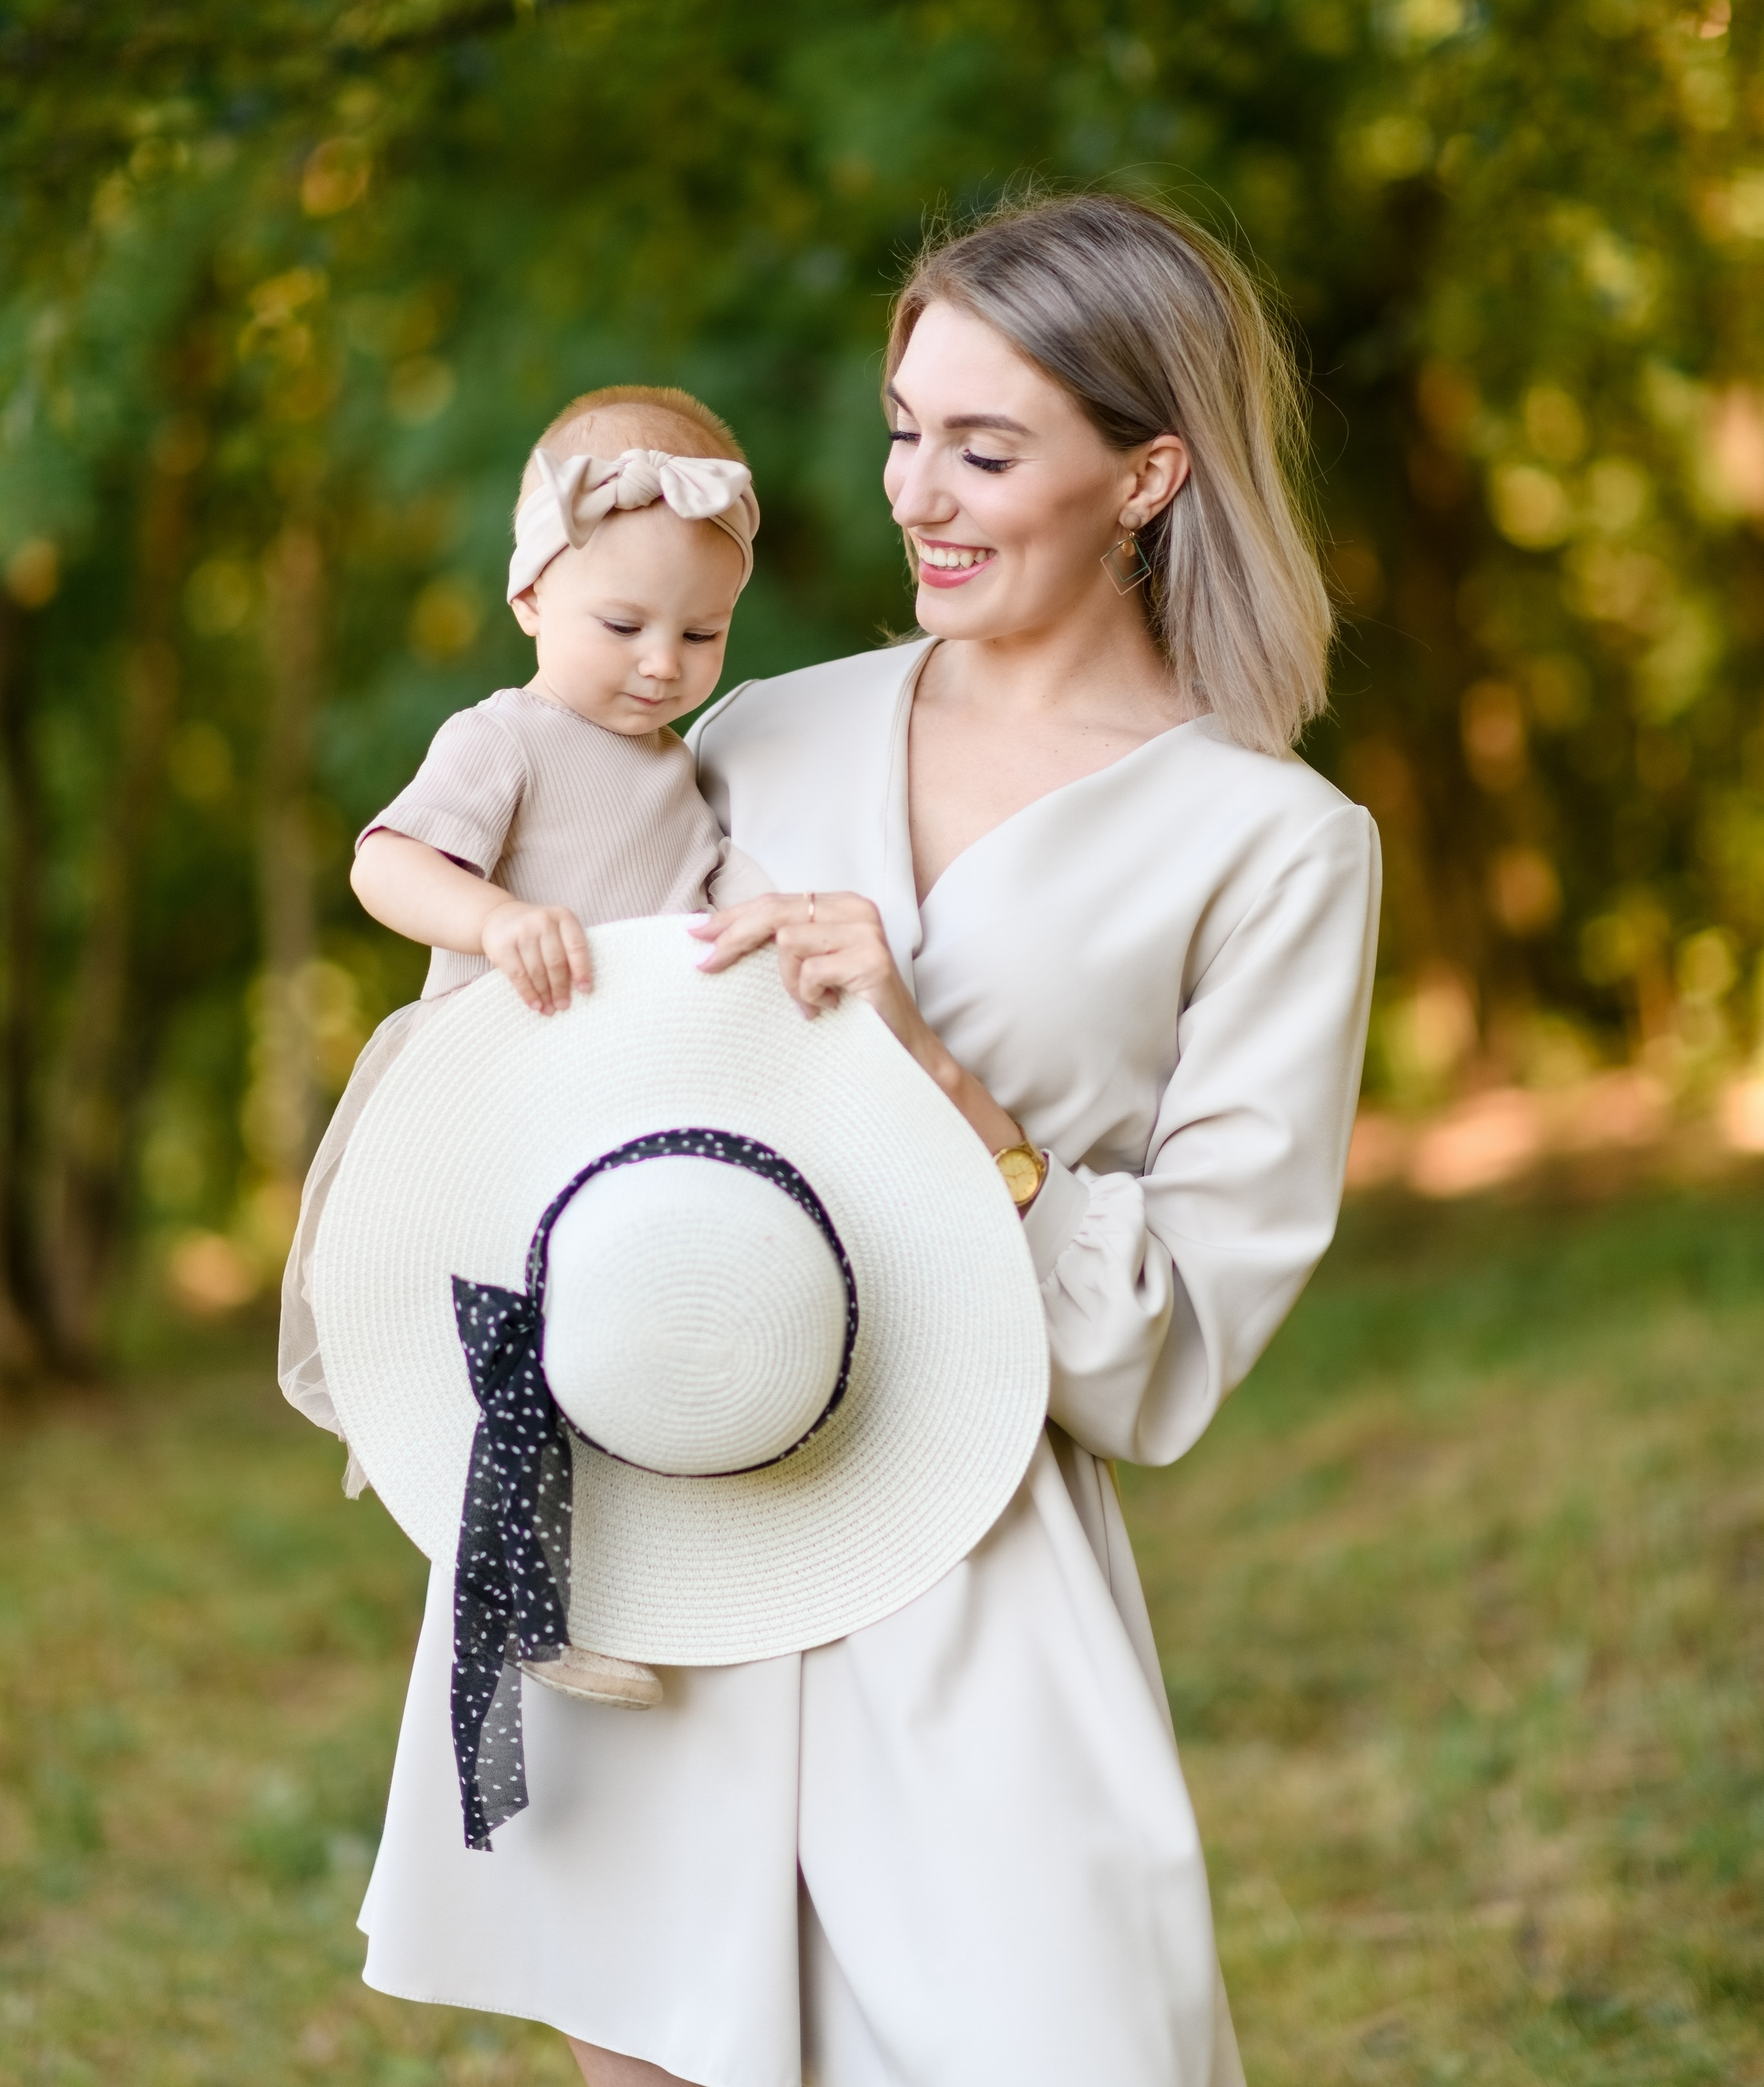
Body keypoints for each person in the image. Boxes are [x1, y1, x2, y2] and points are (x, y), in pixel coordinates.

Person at [355, 192, 1380, 2087]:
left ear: (1149, 473)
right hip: (669, 1524)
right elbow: (524, 1087)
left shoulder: (1275, 845)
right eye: (907, 430)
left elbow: (1167, 1346)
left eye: (987, 449)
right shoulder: (751, 734)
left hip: (967, 1568)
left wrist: (947, 1090)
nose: (920, 491)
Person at [278, 380, 766, 1709]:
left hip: (620, 1114)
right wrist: (491, 918)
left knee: (629, 1340)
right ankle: (523, 1604)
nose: (661, 662)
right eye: (624, 624)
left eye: (701, 633)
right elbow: (388, 865)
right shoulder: (509, 739)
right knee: (512, 1354)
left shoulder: (688, 776)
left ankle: (646, 1576)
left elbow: (703, 913)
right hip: (495, 1096)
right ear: (530, 600)